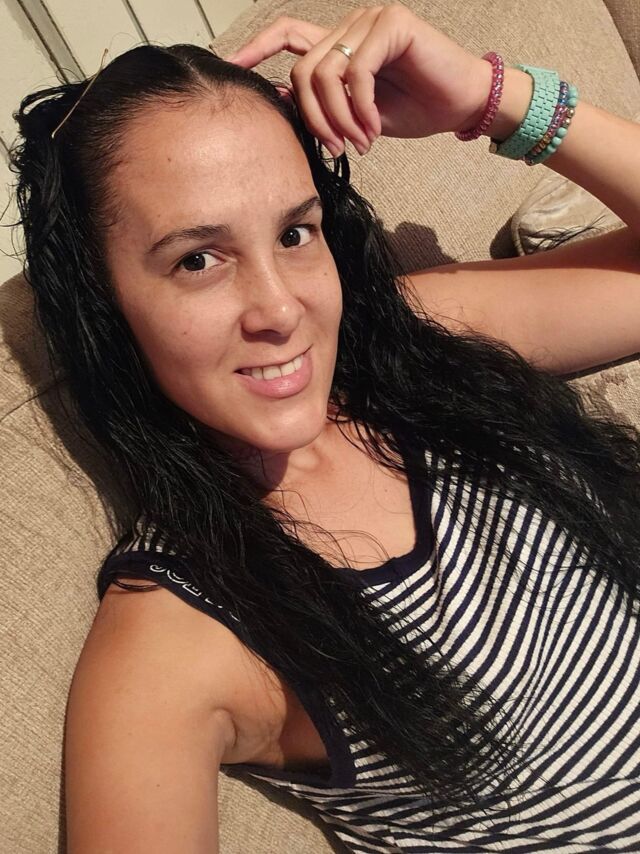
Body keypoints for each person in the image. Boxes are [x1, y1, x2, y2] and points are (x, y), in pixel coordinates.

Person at [9, 3, 640, 851]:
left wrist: (489, 98)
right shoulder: (178, 639)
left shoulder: (413, 340)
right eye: (198, 259)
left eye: (294, 233)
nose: (280, 308)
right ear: (102, 305)